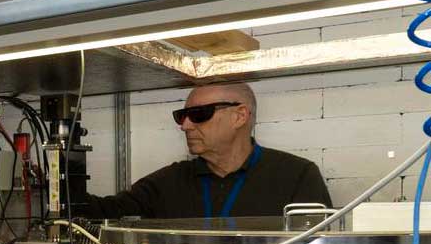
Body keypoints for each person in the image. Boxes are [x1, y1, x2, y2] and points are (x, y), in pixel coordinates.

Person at [81, 82, 332, 219]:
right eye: (182, 116)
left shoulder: (296, 176)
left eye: (199, 115)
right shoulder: (166, 184)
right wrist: (58, 179)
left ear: (240, 115)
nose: (185, 125)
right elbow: (101, 212)